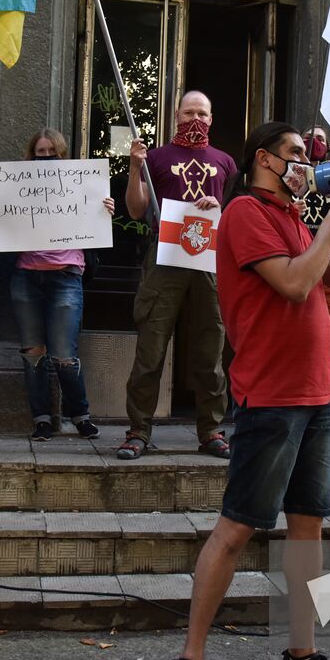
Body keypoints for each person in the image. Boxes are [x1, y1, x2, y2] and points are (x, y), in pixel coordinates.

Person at [154, 121, 330, 660]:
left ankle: (301, 654)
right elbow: (297, 285)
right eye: (297, 154)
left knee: (308, 529)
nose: (306, 162)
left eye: (307, 155)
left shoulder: (300, 219)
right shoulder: (247, 212)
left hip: (316, 396)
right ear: (264, 159)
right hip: (271, 397)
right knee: (236, 529)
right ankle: (190, 659)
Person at [116, 90, 237, 461]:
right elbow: (136, 211)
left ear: (212, 118)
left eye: (202, 112)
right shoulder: (155, 158)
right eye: (189, 112)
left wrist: (221, 206)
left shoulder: (226, 164)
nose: (195, 119)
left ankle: (211, 430)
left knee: (210, 349)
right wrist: (136, 167)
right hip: (164, 257)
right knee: (151, 349)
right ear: (176, 115)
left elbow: (237, 217)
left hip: (208, 259)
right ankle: (138, 430)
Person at [0, 128, 114, 441]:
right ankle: (41, 419)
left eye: (52, 152)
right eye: (40, 152)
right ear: (31, 156)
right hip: (27, 276)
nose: (46, 157)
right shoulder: (16, 187)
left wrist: (105, 210)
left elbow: (95, 222)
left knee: (63, 356)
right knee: (33, 354)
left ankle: (80, 415)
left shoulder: (78, 185)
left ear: (62, 154)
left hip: (66, 275)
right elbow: (3, 221)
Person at [298, 124, 330, 330]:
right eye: (308, 138)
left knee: (325, 325)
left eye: (320, 139)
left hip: (329, 257)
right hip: (298, 257)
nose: (314, 142)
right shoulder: (291, 174)